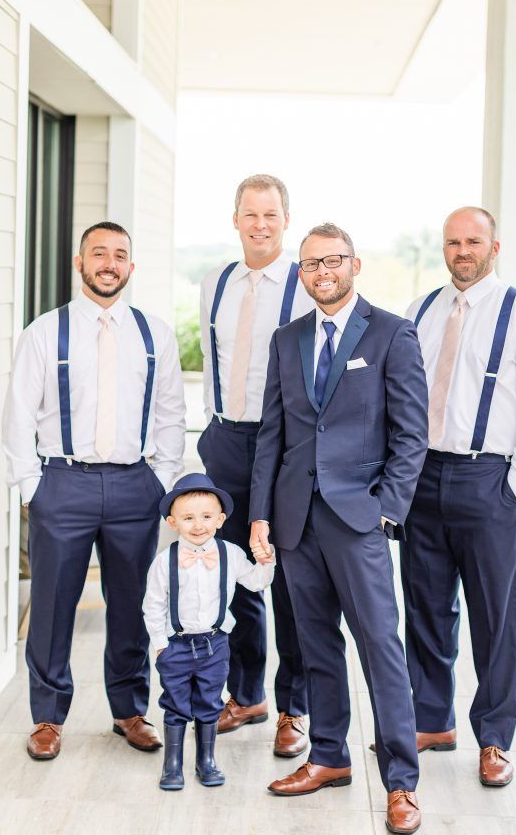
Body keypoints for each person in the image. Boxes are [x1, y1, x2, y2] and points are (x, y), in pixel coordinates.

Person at [249, 223, 429, 835]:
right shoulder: (287, 338)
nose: (321, 271)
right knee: (315, 645)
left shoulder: (391, 333)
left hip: (359, 519)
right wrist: (261, 513)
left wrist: (388, 510)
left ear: (355, 264)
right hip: (296, 518)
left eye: (332, 260)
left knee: (382, 647)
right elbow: (272, 433)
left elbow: (411, 435)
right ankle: (328, 757)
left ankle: (401, 784)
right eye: (309, 264)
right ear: (301, 273)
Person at [2, 222, 186, 761]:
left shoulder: (155, 334)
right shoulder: (45, 331)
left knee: (130, 605)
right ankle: (47, 717)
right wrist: (33, 488)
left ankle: (129, 711)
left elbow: (172, 412)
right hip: (62, 483)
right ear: (79, 262)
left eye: (120, 255)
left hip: (136, 486)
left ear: (132, 266)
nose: (109, 263)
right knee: (53, 603)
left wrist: (164, 478)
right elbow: (18, 416)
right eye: (99, 253)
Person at [400, 206, 516, 787]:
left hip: (486, 480)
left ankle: (494, 738)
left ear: (494, 248)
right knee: (424, 608)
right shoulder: (423, 310)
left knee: (494, 617)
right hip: (423, 478)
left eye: (472, 242)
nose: (461, 252)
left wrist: (514, 487)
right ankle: (432, 718)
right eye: (452, 243)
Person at [198, 174, 313, 757]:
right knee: (233, 574)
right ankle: (245, 694)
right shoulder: (215, 281)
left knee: (289, 577)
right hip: (223, 442)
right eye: (250, 214)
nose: (260, 224)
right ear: (236, 218)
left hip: (284, 446)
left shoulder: (303, 285)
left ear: (285, 220)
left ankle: (294, 707)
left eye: (270, 214)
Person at [143, 473, 275, 791]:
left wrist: (266, 561)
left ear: (220, 519)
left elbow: (256, 583)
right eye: (188, 518)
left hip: (215, 644)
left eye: (206, 517)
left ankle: (206, 760)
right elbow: (153, 606)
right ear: (173, 522)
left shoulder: (230, 553)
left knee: (209, 701)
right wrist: (160, 645)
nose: (198, 525)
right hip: (175, 645)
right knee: (175, 703)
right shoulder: (164, 561)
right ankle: (172, 764)